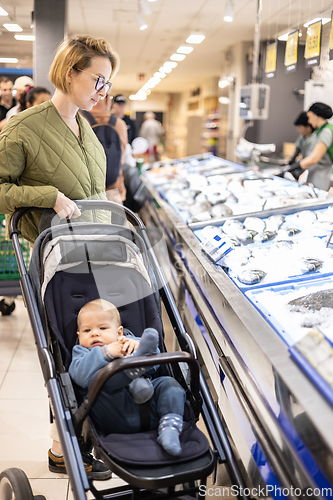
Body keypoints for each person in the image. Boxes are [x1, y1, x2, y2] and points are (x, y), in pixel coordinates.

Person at [0, 34, 120, 479]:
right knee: (65, 353)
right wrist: (47, 196)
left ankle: (82, 440)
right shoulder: (24, 127)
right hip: (57, 261)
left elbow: (92, 192)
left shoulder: (86, 129)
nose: (102, 90)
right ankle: (63, 446)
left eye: (107, 82)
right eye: (98, 79)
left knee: (99, 350)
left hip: (99, 255)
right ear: (71, 72)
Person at [69, 299, 186, 457]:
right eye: (87, 330)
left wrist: (137, 346)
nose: (94, 333)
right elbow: (79, 376)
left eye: (102, 328)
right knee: (104, 381)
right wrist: (106, 352)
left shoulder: (129, 342)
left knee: (169, 384)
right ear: (79, 335)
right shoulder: (82, 352)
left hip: (152, 412)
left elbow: (156, 367)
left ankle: (170, 428)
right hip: (114, 415)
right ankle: (135, 365)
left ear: (119, 333)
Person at [80, 93, 128, 203]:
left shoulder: (79, 120)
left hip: (87, 192)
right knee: (115, 219)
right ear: (107, 100)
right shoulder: (120, 124)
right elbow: (122, 157)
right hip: (114, 191)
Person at [285, 102, 333, 190]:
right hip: (314, 173)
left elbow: (314, 158)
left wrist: (294, 167)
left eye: (310, 118)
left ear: (316, 116)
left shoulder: (326, 131)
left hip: (321, 176)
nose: (309, 121)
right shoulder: (320, 131)